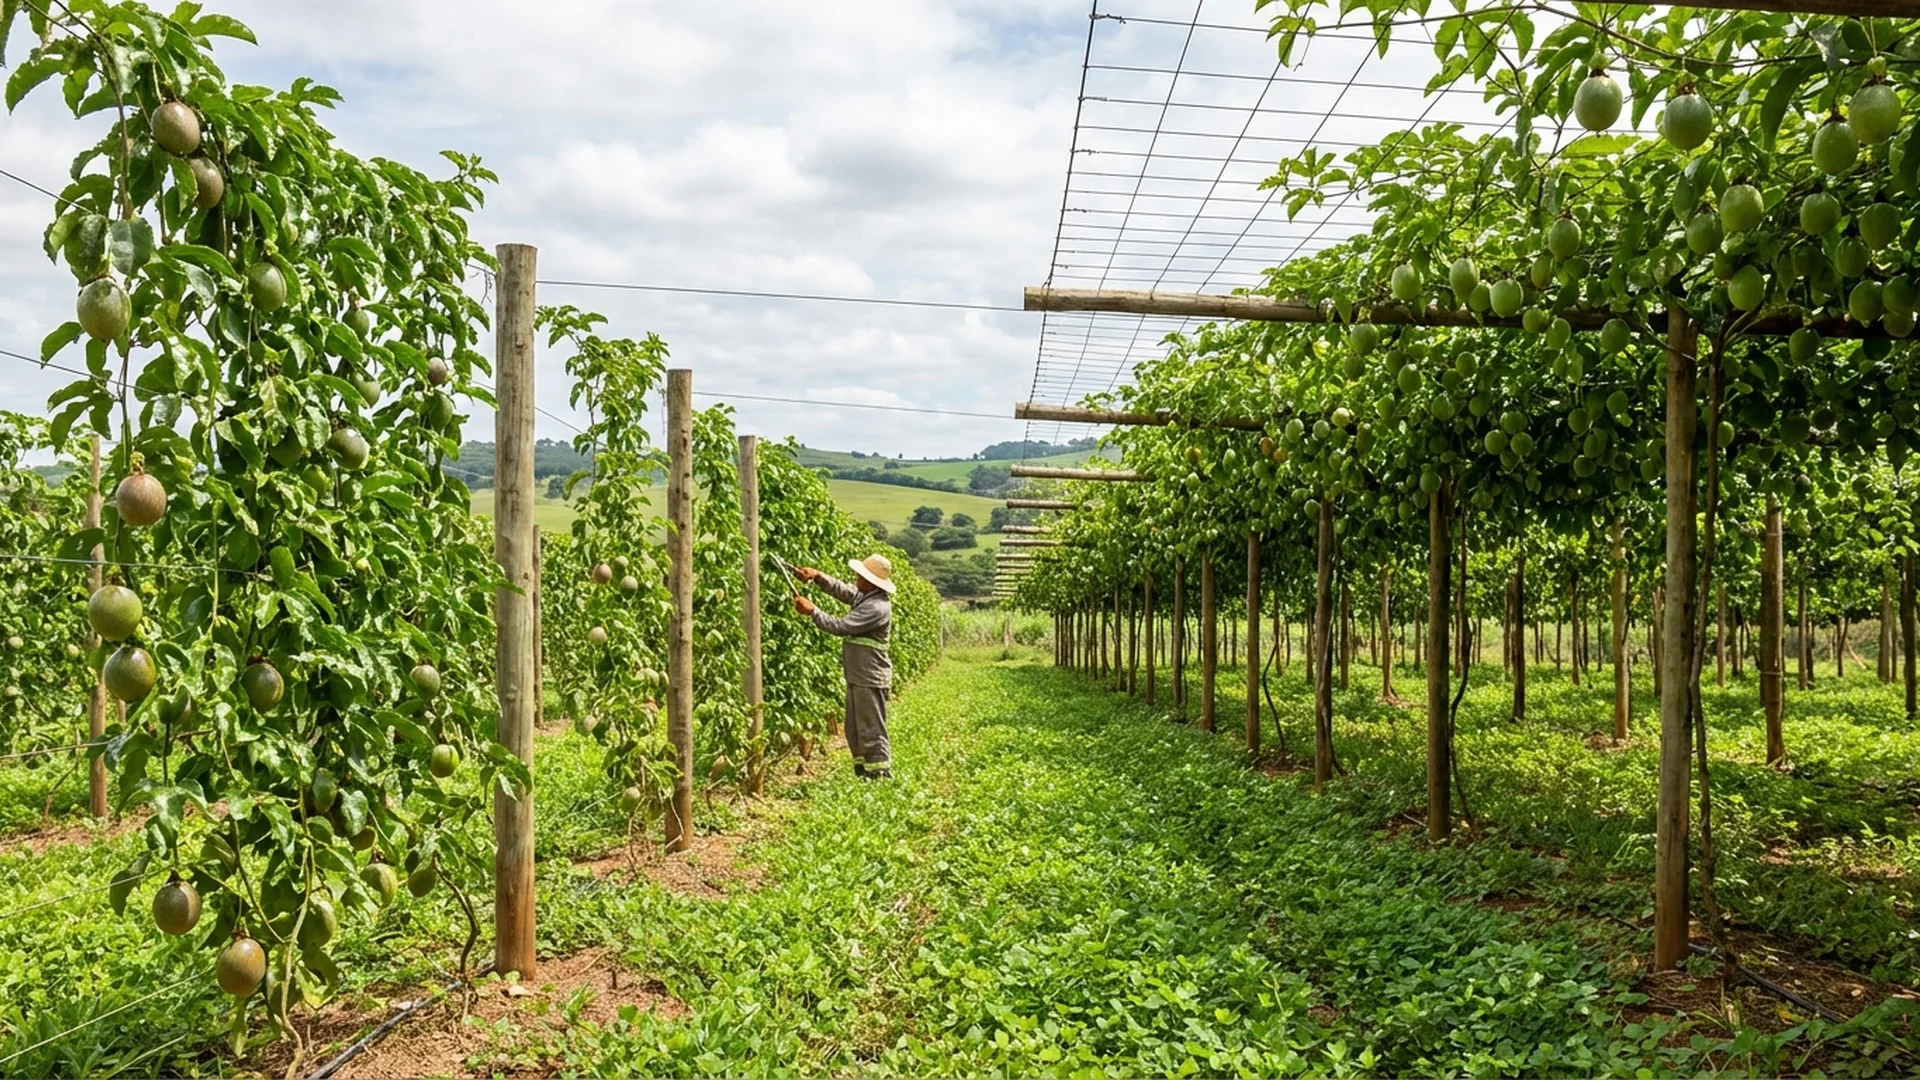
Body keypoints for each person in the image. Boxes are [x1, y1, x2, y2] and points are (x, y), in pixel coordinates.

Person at [793, 554, 895, 780]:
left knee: (871, 728)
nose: (856, 577)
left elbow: (841, 626)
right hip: (859, 674)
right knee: (855, 729)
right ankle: (864, 772)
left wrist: (812, 611)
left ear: (870, 581)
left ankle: (880, 775)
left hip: (870, 676)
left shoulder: (876, 608)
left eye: (860, 575)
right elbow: (843, 590)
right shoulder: (867, 596)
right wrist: (817, 576)